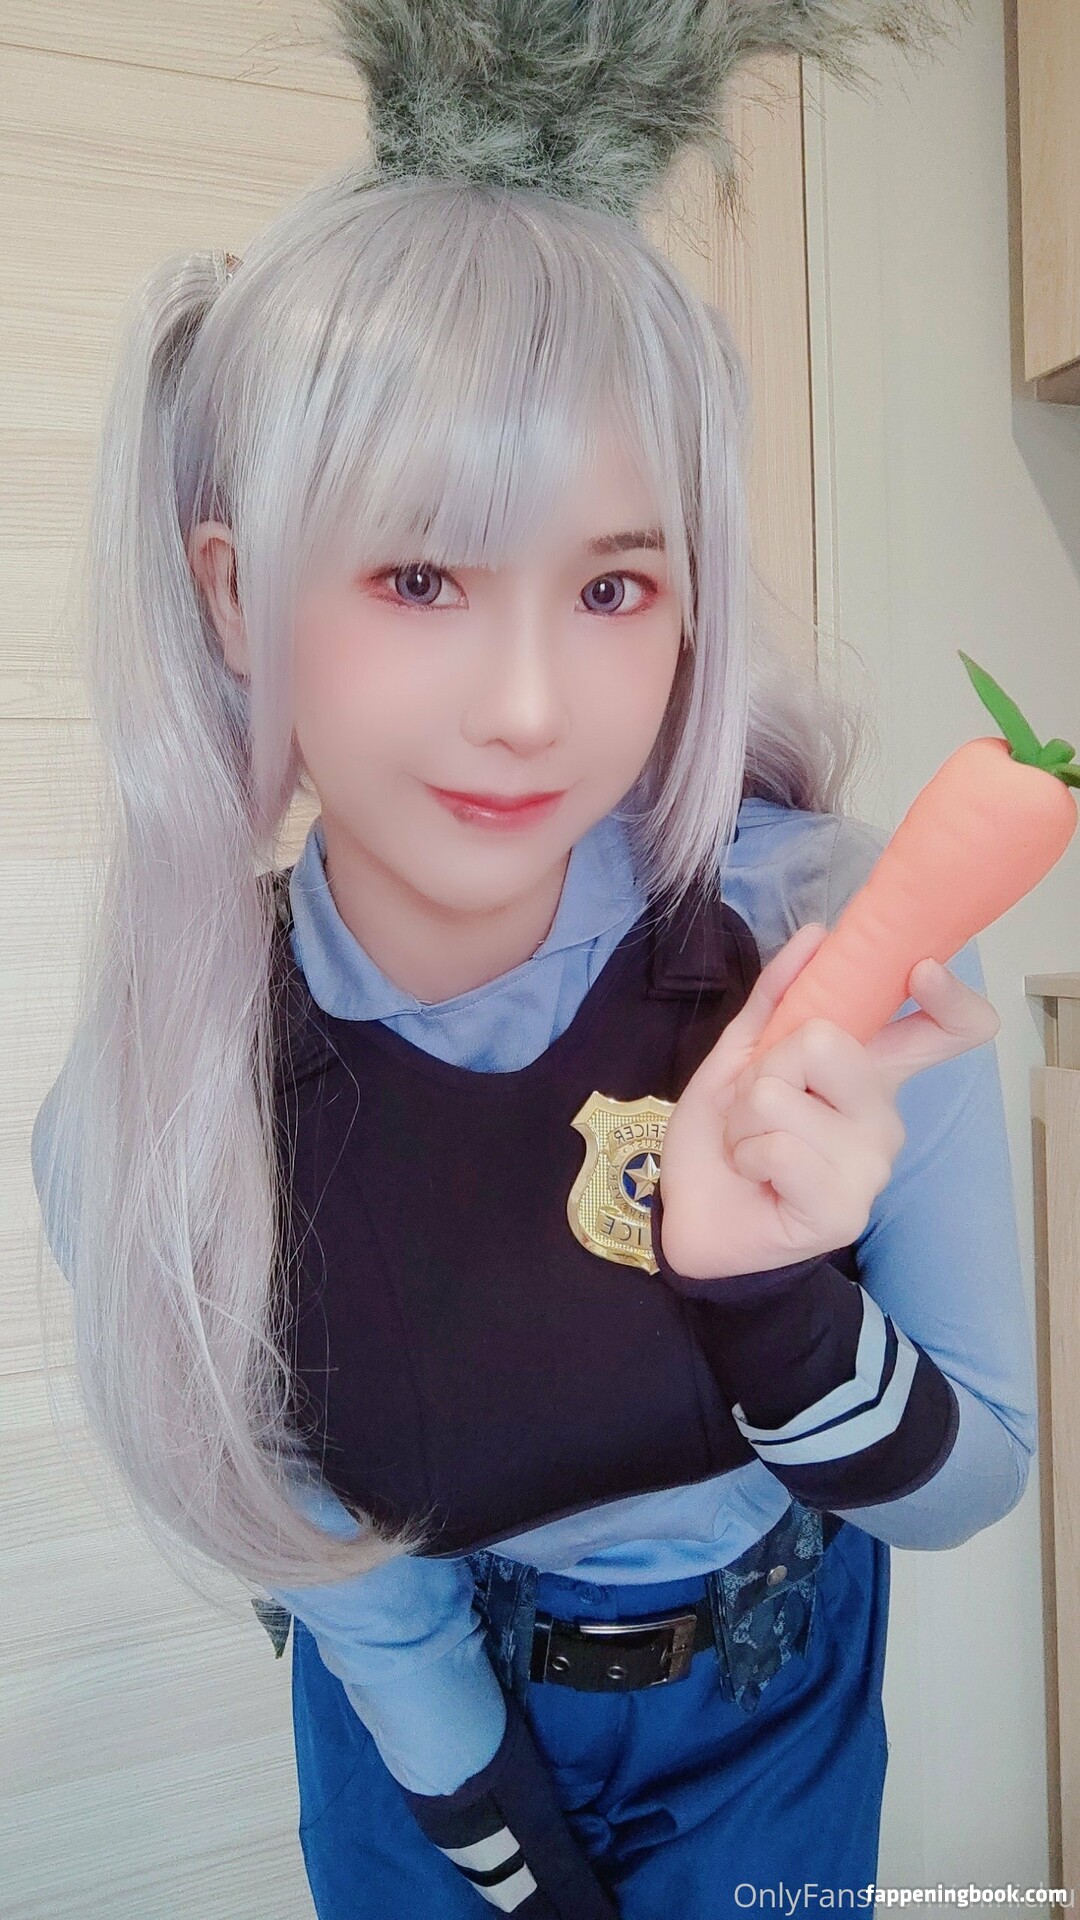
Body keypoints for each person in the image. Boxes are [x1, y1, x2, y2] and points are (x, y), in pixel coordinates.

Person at [30, 2, 1034, 1915]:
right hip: (414, 1727)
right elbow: (335, 1565)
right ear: (237, 593)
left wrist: (766, 1294)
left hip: (776, 1699)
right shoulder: (159, 1106)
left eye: (612, 585)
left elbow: (969, 1489)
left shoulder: (825, 944)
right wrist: (496, 1835)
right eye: (420, 576)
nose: (527, 704)